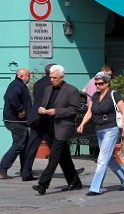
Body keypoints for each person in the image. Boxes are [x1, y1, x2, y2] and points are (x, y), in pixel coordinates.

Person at [75, 71, 124, 195]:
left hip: (111, 129)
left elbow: (123, 111)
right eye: (96, 83)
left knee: (102, 159)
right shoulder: (95, 96)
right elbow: (89, 112)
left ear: (107, 83)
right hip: (99, 130)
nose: (97, 86)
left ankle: (95, 187)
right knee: (108, 159)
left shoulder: (114, 94)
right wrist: (82, 124)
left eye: (100, 83)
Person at [33, 65, 85, 195]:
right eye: (50, 77)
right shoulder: (48, 89)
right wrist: (41, 109)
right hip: (49, 126)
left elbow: (75, 109)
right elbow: (45, 105)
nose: (51, 80)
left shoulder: (71, 90)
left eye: (54, 78)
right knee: (63, 156)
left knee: (54, 156)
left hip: (63, 127)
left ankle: (42, 184)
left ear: (62, 77)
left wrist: (57, 111)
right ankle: (75, 182)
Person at [19, 63, 57, 181]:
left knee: (32, 146)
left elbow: (36, 98)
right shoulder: (53, 83)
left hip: (36, 118)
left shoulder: (38, 83)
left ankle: (25, 172)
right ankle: (69, 171)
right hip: (46, 119)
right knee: (58, 146)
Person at [0, 68, 32, 179]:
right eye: (28, 75)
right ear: (21, 76)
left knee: (24, 144)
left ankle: (25, 171)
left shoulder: (19, 85)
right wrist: (20, 109)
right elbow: (10, 97)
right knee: (19, 144)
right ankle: (2, 167)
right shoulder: (16, 85)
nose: (29, 78)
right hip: (15, 121)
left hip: (18, 121)